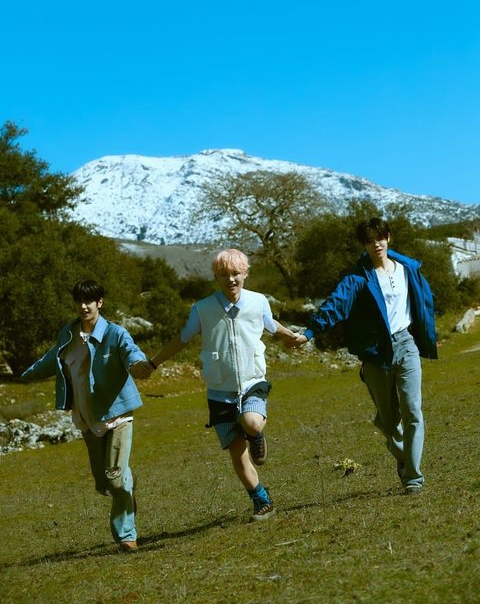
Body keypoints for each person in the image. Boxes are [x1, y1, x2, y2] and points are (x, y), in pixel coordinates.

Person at [136, 248, 298, 521]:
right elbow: (182, 339)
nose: (230, 279)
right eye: (224, 275)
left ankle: (256, 436)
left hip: (252, 381)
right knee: (237, 454)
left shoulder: (258, 301)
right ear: (216, 277)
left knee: (252, 422)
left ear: (245, 274)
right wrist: (153, 363)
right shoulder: (202, 309)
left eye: (235, 273)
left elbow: (271, 325)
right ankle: (261, 500)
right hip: (220, 390)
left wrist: (290, 335)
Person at [286, 218, 437, 495]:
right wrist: (309, 333)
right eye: (369, 240)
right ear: (363, 245)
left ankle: (413, 477)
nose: (375, 244)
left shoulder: (408, 269)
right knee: (389, 422)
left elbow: (424, 301)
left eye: (379, 237)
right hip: (376, 353)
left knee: (413, 411)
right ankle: (404, 457)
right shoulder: (358, 278)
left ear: (388, 238)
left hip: (406, 345)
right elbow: (335, 305)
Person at [20, 279, 151, 553]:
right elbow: (50, 360)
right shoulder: (67, 336)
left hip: (116, 416)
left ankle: (127, 536)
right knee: (104, 483)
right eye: (79, 301)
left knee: (114, 476)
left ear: (99, 303)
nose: (83, 306)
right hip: (87, 419)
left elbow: (131, 353)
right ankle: (126, 483)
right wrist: (26, 375)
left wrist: (139, 365)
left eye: (89, 301)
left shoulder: (115, 333)